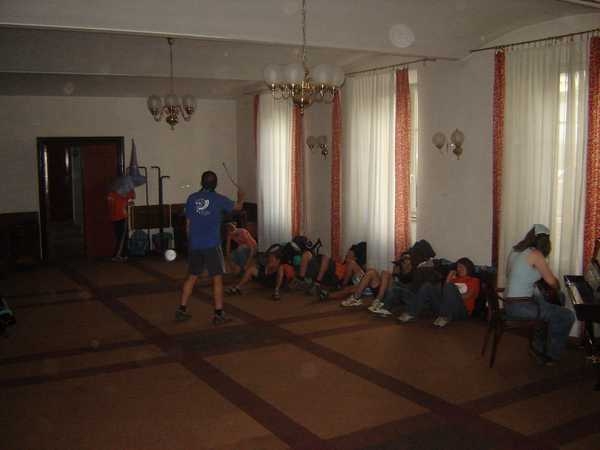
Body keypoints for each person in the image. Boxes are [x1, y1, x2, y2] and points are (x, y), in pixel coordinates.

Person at [175, 171, 244, 324]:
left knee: (192, 277)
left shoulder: (191, 198)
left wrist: (191, 243)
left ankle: (181, 309)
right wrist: (241, 196)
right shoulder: (218, 199)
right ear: (215, 184)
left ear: (202, 182)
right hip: (212, 245)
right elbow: (238, 207)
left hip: (195, 244)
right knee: (217, 278)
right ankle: (218, 314)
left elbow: (188, 225)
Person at [502, 224, 575, 365]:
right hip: (520, 306)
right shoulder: (536, 254)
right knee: (566, 315)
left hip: (508, 303)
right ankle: (551, 355)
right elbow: (552, 282)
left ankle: (538, 346)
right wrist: (557, 284)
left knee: (553, 301)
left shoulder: (516, 250)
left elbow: (511, 274)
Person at [397, 257, 480, 327]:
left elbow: (468, 295)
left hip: (461, 311)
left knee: (450, 286)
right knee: (427, 286)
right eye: (458, 267)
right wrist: (450, 275)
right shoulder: (454, 279)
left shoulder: (474, 280)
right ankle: (410, 313)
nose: (459, 269)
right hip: (445, 308)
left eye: (462, 267)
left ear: (468, 268)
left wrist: (451, 294)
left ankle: (444, 317)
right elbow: (445, 287)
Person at [225, 250, 295, 300]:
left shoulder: (281, 266)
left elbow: (288, 276)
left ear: (278, 260)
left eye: (272, 258)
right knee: (251, 269)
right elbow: (263, 273)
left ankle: (276, 291)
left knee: (281, 268)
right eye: (270, 257)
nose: (270, 259)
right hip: (266, 280)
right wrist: (267, 267)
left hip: (275, 283)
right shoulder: (268, 263)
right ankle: (237, 287)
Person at [107, 183, 135, 262]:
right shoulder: (122, 194)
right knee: (122, 237)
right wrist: (131, 187)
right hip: (121, 217)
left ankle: (121, 255)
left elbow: (117, 205)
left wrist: (127, 203)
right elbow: (132, 196)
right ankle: (118, 255)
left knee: (119, 237)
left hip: (114, 218)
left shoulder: (111, 195)